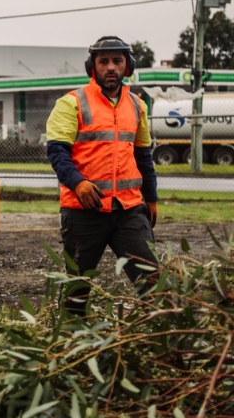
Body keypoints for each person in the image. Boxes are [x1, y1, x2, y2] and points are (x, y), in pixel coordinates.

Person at [45, 36, 159, 315]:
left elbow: (144, 156)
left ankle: (159, 341)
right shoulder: (71, 103)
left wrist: (152, 199)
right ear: (92, 66)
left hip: (129, 209)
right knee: (77, 290)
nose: (111, 67)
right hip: (84, 209)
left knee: (155, 283)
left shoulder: (137, 105)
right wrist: (78, 183)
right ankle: (71, 344)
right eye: (103, 61)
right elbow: (57, 153)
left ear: (127, 66)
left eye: (117, 61)